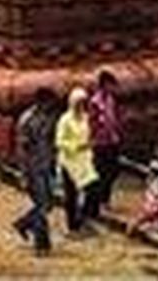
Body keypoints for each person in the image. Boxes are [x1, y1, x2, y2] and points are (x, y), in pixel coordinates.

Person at [12, 87, 60, 255]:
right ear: (41, 102)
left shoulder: (50, 117)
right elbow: (22, 150)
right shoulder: (27, 120)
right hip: (33, 168)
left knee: (47, 205)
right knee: (42, 205)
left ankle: (23, 223)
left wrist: (54, 165)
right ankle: (42, 244)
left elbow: (51, 143)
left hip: (46, 165)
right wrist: (23, 175)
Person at [56, 86, 99, 235]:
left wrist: (90, 144)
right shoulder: (65, 120)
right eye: (78, 103)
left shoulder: (85, 118)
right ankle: (72, 226)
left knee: (93, 188)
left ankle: (83, 218)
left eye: (83, 102)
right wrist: (75, 146)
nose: (81, 106)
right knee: (71, 195)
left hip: (84, 160)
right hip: (69, 161)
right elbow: (59, 141)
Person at [88, 69, 123, 212]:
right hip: (100, 142)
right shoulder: (95, 102)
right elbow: (92, 121)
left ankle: (103, 197)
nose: (112, 87)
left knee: (113, 170)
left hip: (112, 140)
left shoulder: (110, 99)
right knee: (101, 171)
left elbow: (114, 116)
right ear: (104, 84)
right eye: (110, 84)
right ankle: (100, 199)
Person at [127, 147, 158, 237]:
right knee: (150, 213)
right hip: (154, 192)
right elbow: (153, 175)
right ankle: (133, 225)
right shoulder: (156, 165)